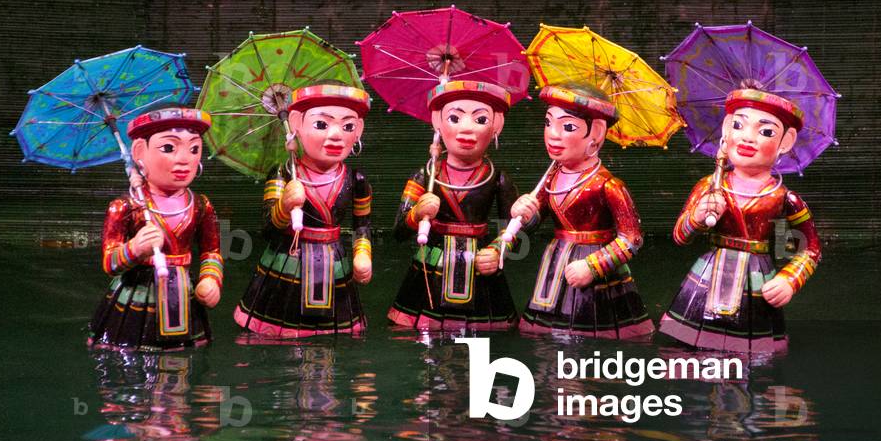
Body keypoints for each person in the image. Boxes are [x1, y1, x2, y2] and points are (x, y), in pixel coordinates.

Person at [659, 84, 822, 352]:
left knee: (750, 357)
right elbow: (680, 236)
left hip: (756, 281)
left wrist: (789, 280)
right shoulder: (709, 186)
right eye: (738, 125)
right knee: (686, 352)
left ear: (786, 142)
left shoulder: (783, 199)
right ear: (725, 131)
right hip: (707, 278)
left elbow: (810, 249)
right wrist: (697, 217)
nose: (747, 138)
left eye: (766, 131)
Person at [511, 84, 653, 338]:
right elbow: (534, 219)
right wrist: (523, 211)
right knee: (544, 334)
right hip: (555, 266)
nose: (553, 135)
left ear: (596, 134)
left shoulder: (608, 185)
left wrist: (593, 265)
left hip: (595, 272)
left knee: (589, 336)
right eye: (548, 122)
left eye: (568, 127)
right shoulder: (551, 178)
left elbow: (632, 239)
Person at [235, 83, 373, 337]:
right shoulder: (283, 173)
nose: (336, 135)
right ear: (296, 125)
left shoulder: (357, 180)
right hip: (287, 263)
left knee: (339, 336)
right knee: (278, 332)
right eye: (321, 124)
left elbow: (362, 226)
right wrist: (285, 205)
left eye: (348, 126)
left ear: (358, 132)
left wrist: (363, 254)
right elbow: (267, 229)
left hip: (336, 264)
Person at [389, 80, 522, 331]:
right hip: (431, 267)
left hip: (480, 270)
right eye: (454, 118)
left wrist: (496, 251)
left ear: (497, 126)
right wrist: (417, 213)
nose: (467, 129)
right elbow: (398, 231)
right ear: (437, 122)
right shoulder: (426, 175)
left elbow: (515, 228)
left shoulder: (498, 178)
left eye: (481, 120)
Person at [89, 107, 223, 350]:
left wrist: (211, 279)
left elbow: (211, 250)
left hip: (184, 294)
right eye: (169, 148)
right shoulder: (126, 207)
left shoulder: (201, 206)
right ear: (140, 152)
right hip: (138, 295)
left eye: (194, 149)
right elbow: (110, 263)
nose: (185, 159)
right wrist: (135, 248)